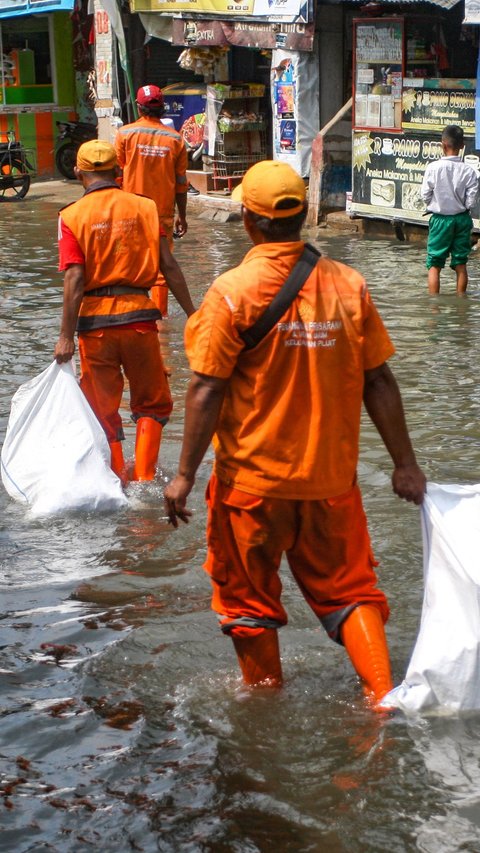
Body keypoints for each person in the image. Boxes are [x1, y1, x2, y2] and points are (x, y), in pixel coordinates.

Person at [164, 160, 426, 710]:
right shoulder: (347, 285)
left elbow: (206, 390)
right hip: (331, 483)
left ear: (249, 221)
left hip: (252, 487)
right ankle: (384, 701)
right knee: (352, 592)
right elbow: (378, 379)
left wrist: (184, 476)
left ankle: (262, 713)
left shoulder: (232, 292)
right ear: (302, 218)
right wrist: (405, 464)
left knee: (246, 604)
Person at [54, 139, 195, 483]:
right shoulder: (145, 209)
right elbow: (170, 267)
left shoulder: (71, 216)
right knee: (152, 403)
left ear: (78, 173)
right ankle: (145, 478)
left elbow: (74, 278)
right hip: (140, 320)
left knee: (102, 408)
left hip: (94, 326)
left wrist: (65, 337)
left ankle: (117, 477)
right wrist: (194, 314)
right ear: (118, 171)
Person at [115, 85, 189, 317]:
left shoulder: (125, 134)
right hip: (161, 213)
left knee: (129, 262)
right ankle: (159, 321)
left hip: (130, 211)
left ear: (139, 108)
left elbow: (117, 173)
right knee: (161, 269)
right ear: (163, 107)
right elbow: (181, 183)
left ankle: (133, 314)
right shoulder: (176, 140)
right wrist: (183, 215)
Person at [421, 124, 479, 295]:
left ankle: (433, 308)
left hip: (440, 219)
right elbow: (471, 200)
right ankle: (461, 306)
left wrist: (437, 203)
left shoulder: (433, 168)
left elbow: (425, 194)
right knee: (461, 263)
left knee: (434, 265)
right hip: (462, 219)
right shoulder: (469, 171)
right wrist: (460, 207)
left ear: (443, 145)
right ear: (462, 146)